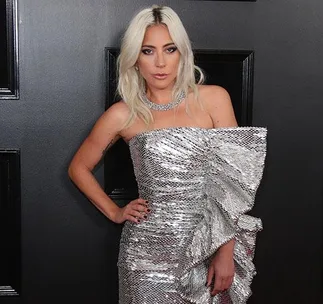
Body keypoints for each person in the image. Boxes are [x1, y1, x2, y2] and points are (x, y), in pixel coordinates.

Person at [68, 5, 266, 304]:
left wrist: (225, 251)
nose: (160, 62)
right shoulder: (122, 114)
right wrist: (115, 211)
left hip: (207, 245)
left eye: (169, 49)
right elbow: (78, 168)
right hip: (145, 255)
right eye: (148, 51)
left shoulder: (214, 99)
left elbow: (232, 183)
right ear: (135, 58)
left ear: (182, 54)